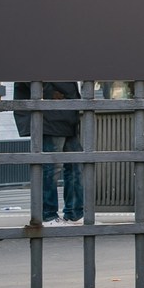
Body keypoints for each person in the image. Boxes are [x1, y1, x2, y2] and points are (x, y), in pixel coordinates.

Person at [39, 81, 85, 225]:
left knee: (74, 166)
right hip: (53, 114)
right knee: (52, 168)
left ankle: (74, 213)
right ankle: (49, 215)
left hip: (67, 114)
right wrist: (47, 93)